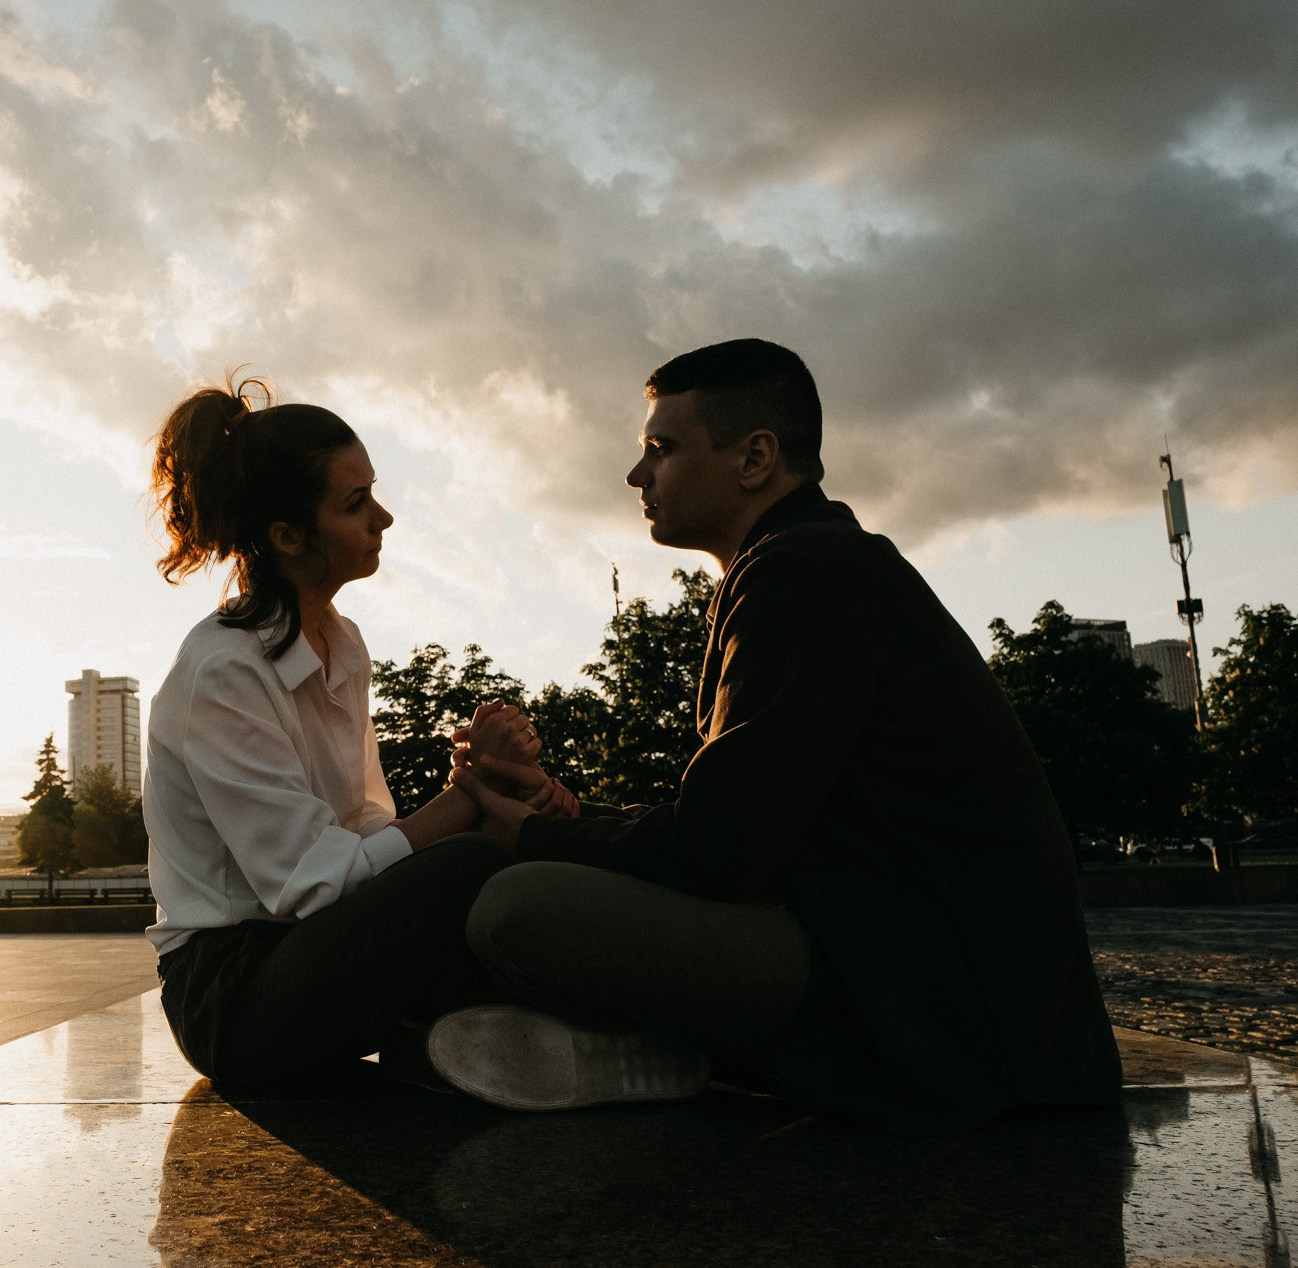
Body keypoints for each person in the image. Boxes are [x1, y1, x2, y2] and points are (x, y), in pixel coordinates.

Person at [436, 338, 1122, 1132]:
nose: (636, 476)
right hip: (917, 972)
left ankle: (656, 1053)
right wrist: (572, 815)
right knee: (536, 880)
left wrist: (535, 834)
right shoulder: (806, 561)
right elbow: (739, 812)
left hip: (946, 1014)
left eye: (661, 448)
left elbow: (720, 847)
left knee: (515, 905)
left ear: (756, 457)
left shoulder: (807, 575)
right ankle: (656, 1053)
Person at [143, 375, 569, 1087]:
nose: (384, 517)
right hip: (232, 995)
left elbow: (370, 831)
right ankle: (487, 1045)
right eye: (355, 503)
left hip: (309, 950)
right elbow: (314, 880)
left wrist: (492, 801)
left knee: (518, 848)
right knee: (469, 864)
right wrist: (469, 798)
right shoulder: (223, 671)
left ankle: (501, 1047)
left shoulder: (341, 644)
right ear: (287, 535)